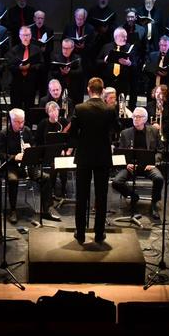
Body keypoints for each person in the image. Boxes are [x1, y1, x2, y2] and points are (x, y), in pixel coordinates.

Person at [66, 77, 120, 244]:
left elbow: (72, 133)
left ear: (89, 90)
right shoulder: (110, 109)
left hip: (84, 156)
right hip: (103, 157)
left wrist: (79, 142)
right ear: (102, 90)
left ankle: (80, 234)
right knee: (101, 196)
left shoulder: (80, 108)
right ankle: (98, 234)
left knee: (81, 196)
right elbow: (117, 129)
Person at [0, 108, 60, 224]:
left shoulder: (27, 131)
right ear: (11, 120)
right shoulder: (4, 133)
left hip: (27, 166)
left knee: (45, 177)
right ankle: (13, 210)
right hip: (12, 166)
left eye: (23, 121)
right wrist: (14, 157)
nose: (21, 125)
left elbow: (35, 146)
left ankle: (47, 209)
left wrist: (30, 148)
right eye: (18, 122)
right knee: (13, 180)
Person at [111, 107, 164, 220]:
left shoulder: (153, 131)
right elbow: (121, 152)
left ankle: (154, 204)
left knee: (159, 178)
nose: (136, 119)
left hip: (148, 165)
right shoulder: (125, 133)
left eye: (139, 117)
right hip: (131, 165)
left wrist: (154, 162)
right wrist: (126, 164)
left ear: (145, 119)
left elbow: (160, 150)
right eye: (134, 116)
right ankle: (133, 196)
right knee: (116, 182)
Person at [34, 100, 70, 199]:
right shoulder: (43, 123)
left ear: (58, 111)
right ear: (47, 112)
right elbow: (38, 140)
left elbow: (69, 139)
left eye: (55, 110)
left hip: (62, 153)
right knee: (55, 163)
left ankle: (63, 189)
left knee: (61, 163)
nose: (54, 113)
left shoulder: (63, 122)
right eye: (51, 111)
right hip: (48, 153)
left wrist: (66, 150)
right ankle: (52, 188)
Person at [6, 26, 43, 112]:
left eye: (27, 35)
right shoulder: (14, 50)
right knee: (15, 109)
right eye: (23, 35)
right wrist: (19, 67)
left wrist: (30, 67)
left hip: (31, 84)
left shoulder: (37, 50)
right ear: (19, 36)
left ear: (30, 36)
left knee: (29, 109)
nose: (25, 37)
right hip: (16, 84)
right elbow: (9, 66)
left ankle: (28, 125)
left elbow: (41, 65)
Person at [97, 27, 135, 102]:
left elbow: (136, 64)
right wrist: (104, 60)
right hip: (108, 81)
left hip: (123, 83)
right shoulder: (107, 47)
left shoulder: (129, 48)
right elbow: (97, 61)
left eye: (126, 36)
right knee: (107, 104)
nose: (125, 38)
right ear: (116, 37)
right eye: (123, 36)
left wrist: (129, 63)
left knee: (121, 105)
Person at [48, 38, 84, 104]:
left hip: (73, 88)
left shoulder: (77, 57)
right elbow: (52, 72)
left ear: (72, 48)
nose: (65, 50)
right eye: (63, 48)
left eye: (67, 48)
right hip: (60, 88)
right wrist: (61, 72)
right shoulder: (56, 57)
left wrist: (69, 72)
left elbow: (80, 71)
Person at [31, 10, 55, 96]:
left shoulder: (49, 30)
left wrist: (45, 49)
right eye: (38, 18)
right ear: (34, 19)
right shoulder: (29, 30)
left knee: (43, 87)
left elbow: (51, 47)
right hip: (33, 62)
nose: (40, 20)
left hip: (44, 62)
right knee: (32, 87)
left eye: (42, 18)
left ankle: (42, 106)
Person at [146, 84, 169, 149]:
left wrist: (161, 126)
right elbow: (145, 120)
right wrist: (152, 126)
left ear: (165, 94)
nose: (158, 94)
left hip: (165, 132)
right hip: (150, 131)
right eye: (156, 92)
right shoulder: (149, 105)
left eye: (160, 93)